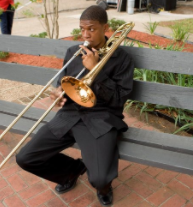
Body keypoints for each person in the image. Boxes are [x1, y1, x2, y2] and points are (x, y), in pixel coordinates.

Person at [16, 5, 134, 206]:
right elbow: (64, 82)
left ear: (105, 27)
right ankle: (69, 172)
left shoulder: (122, 58)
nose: (86, 34)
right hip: (70, 115)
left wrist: (96, 70)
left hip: (101, 119)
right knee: (25, 158)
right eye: (82, 29)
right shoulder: (73, 51)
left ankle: (104, 187)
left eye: (91, 29)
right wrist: (58, 93)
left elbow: (118, 99)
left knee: (99, 179)